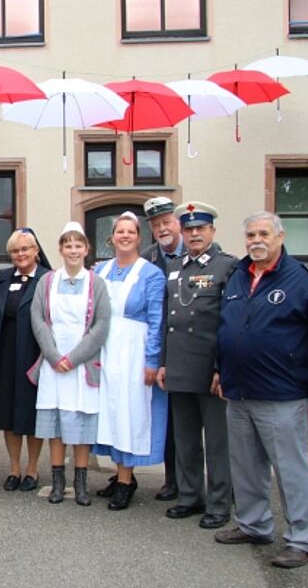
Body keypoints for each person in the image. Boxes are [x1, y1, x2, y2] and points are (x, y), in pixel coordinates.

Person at [214, 211, 308, 569]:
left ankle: (302, 538)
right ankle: (254, 524)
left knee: (290, 469)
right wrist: (219, 370)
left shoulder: (304, 281)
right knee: (246, 465)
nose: (256, 240)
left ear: (281, 237)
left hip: (282, 393)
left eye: (264, 234)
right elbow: (227, 329)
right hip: (239, 391)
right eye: (251, 234)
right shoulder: (239, 276)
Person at [157, 202, 235, 529]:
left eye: (200, 228)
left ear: (212, 231)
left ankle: (219, 503)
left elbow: (230, 323)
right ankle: (190, 496)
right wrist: (162, 363)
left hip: (209, 369)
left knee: (217, 442)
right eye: (189, 229)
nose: (194, 234)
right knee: (185, 439)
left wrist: (222, 368)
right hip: (178, 366)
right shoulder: (176, 267)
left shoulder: (226, 267)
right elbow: (166, 320)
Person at [31, 222, 111, 506]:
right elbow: (38, 318)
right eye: (68, 245)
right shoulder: (47, 281)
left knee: (80, 426)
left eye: (78, 245)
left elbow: (101, 324)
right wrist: (54, 356)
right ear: (61, 249)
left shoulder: (96, 282)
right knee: (55, 427)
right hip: (54, 363)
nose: (73, 251)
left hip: (83, 362)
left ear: (87, 249)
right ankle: (57, 483)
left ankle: (80, 484)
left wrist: (74, 358)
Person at [92, 211, 166, 510]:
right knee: (108, 411)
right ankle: (119, 474)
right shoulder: (101, 271)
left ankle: (126, 480)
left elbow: (157, 319)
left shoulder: (151, 274)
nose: (124, 236)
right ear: (112, 238)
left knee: (129, 411)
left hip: (134, 349)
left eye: (130, 232)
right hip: (107, 347)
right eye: (119, 232)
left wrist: (152, 359)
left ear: (139, 237)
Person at [0, 227, 51, 493]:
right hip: (5, 352)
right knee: (8, 412)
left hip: (34, 353)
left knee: (31, 412)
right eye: (15, 251)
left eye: (25, 249)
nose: (20, 254)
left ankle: (33, 469)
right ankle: (14, 468)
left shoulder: (48, 279)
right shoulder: (2, 279)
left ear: (36, 251)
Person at [141, 196, 183, 502]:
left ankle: (218, 484)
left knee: (196, 422)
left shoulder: (202, 254)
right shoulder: (148, 259)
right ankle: (173, 479)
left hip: (190, 348)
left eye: (166, 222)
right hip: (161, 348)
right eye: (156, 225)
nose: (162, 228)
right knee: (169, 420)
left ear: (178, 222)